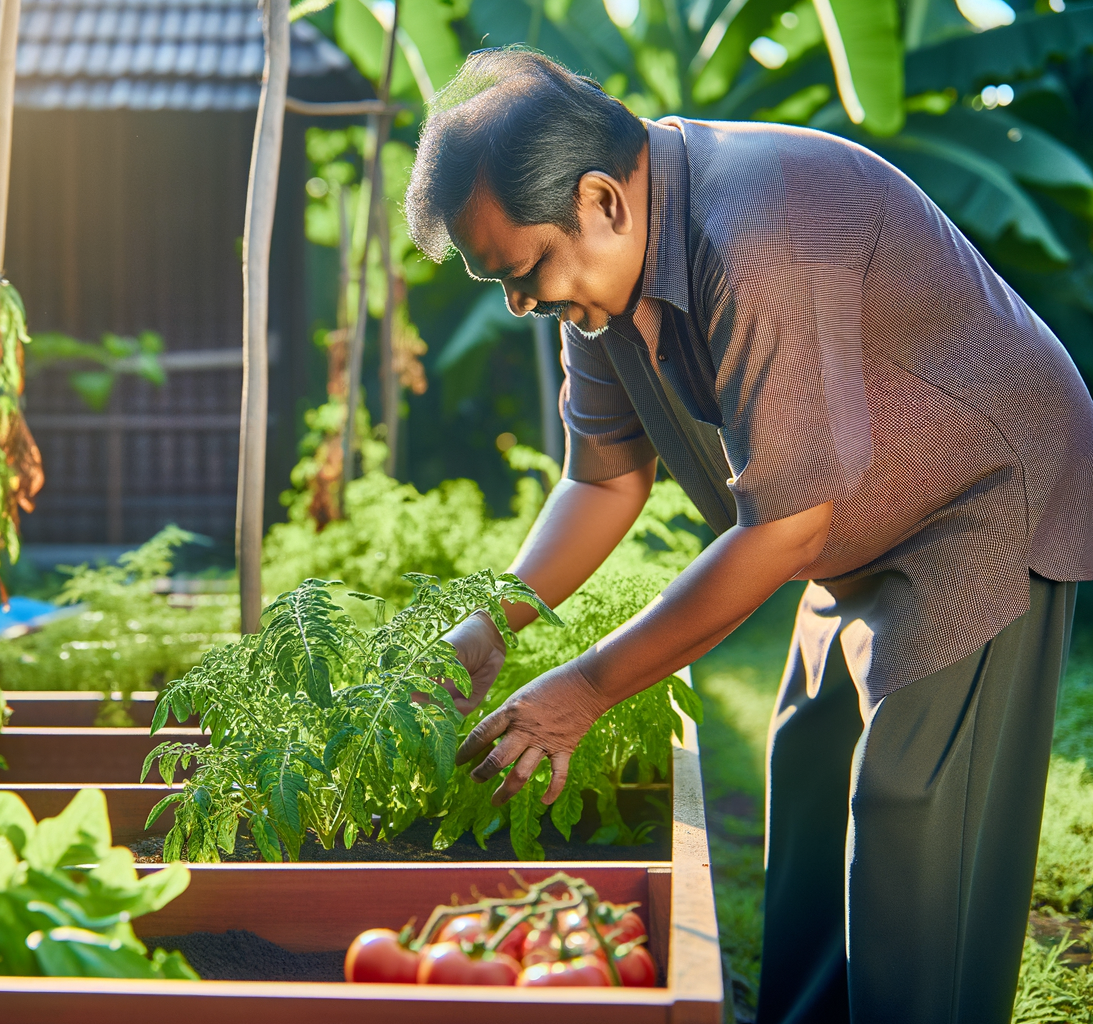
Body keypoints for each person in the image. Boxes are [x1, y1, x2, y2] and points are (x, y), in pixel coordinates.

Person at [406, 48, 1093, 1023]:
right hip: (853, 518)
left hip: (979, 497)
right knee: (808, 779)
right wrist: (487, 626)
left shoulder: (758, 229)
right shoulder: (595, 288)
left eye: (523, 272)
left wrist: (586, 690)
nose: (519, 303)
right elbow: (601, 479)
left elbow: (783, 531)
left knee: (912, 807)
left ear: (601, 199)